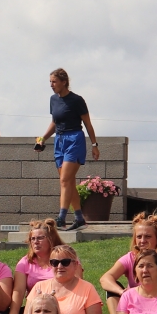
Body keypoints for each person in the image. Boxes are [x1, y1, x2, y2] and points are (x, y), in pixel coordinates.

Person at [33, 68, 99, 231]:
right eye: (50, 82)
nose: (51, 84)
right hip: (59, 141)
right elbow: (55, 122)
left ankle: (61, 218)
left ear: (64, 82)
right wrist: (43, 138)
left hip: (74, 139)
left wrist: (94, 145)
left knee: (64, 180)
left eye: (54, 81)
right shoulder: (53, 100)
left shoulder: (77, 100)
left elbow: (88, 124)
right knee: (68, 182)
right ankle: (79, 218)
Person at [98, 212, 157, 314]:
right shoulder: (130, 257)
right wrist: (123, 292)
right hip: (135, 303)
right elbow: (105, 278)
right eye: (139, 237)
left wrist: (146, 291)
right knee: (112, 289)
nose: (142, 240)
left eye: (148, 236)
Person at [5, 218, 62, 314]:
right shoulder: (25, 262)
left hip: (60, 307)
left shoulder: (64, 260)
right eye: (33, 239)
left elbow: (75, 285)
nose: (36, 242)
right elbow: (19, 291)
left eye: (40, 238)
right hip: (34, 308)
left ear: (51, 239)